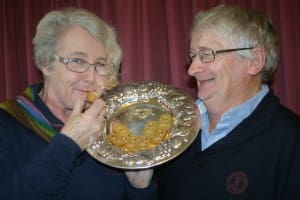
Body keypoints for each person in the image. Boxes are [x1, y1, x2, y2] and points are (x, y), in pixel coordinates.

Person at [0, 8, 156, 200]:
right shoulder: (6, 124)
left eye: (100, 65)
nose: (90, 77)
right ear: (46, 63)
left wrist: (139, 188)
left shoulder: (115, 126)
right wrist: (69, 144)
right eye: (77, 61)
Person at [155, 4, 300, 199]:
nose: (192, 69)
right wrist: (140, 186)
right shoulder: (174, 127)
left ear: (254, 61)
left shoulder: (292, 141)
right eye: (193, 56)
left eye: (207, 54)